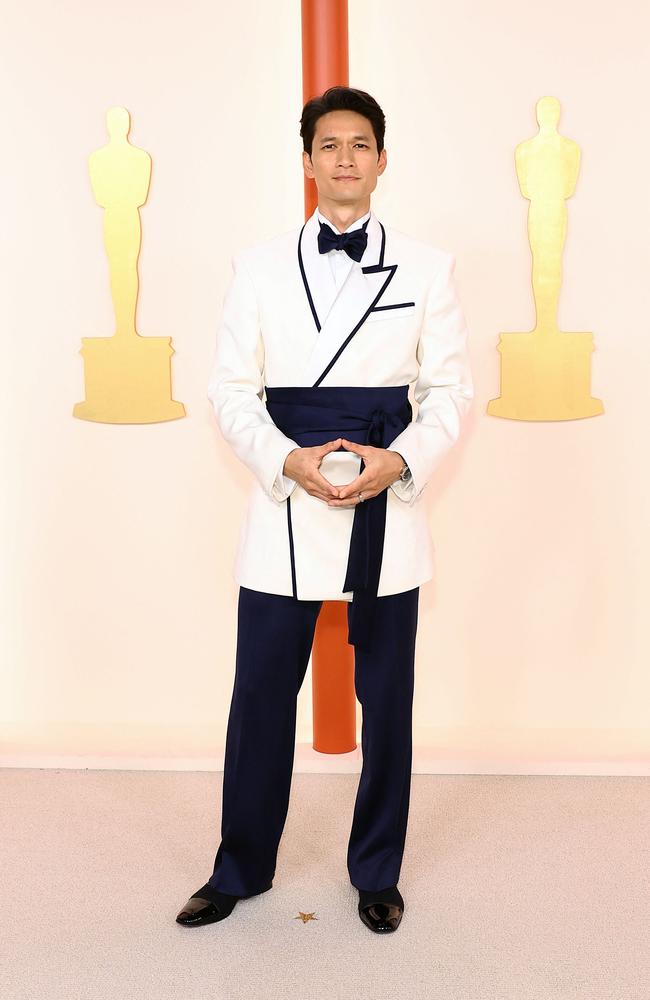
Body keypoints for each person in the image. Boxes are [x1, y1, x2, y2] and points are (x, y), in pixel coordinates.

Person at [176, 86, 473, 933]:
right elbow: (230, 391)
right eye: (328, 145)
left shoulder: (429, 267)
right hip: (286, 500)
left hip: (387, 491)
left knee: (389, 699)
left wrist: (401, 459)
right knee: (260, 697)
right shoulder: (259, 266)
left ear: (383, 160)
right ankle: (239, 869)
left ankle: (376, 870)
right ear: (305, 160)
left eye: (360, 144)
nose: (344, 158)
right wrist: (285, 459)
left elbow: (451, 391)